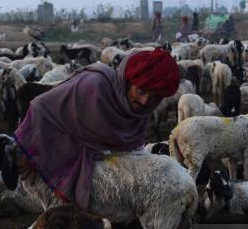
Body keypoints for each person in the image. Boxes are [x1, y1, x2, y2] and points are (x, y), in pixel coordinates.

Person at [13, 48, 180, 210]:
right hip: (58, 158)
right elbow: (41, 106)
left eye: (154, 97)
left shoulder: (137, 111)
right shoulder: (93, 87)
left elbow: (132, 148)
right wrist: (29, 147)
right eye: (141, 91)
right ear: (128, 81)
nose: (144, 101)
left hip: (96, 170)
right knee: (63, 220)